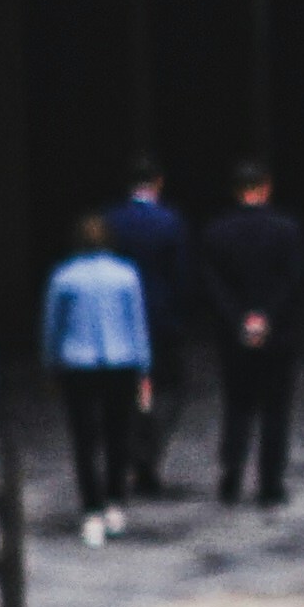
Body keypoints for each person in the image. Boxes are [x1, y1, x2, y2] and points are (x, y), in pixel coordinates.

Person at [200, 159, 304, 510]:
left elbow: (214, 286)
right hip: (277, 334)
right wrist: (266, 317)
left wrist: (240, 320)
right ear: (266, 187)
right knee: (275, 408)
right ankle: (270, 483)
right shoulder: (287, 229)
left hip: (235, 335)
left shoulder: (217, 231)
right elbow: (292, 282)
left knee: (237, 404)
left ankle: (231, 476)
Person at [41, 218, 153, 545]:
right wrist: (145, 367)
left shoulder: (63, 277)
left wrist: (50, 364)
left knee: (84, 440)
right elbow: (138, 323)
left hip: (78, 365)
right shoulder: (126, 274)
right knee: (119, 435)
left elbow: (52, 326)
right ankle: (115, 502)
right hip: (121, 362)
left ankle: (91, 510)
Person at [103, 161, 194, 495]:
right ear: (158, 182)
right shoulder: (170, 221)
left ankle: (130, 451)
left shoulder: (111, 220)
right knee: (170, 389)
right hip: (160, 318)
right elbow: (181, 276)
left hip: (120, 320)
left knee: (125, 391)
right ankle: (149, 453)